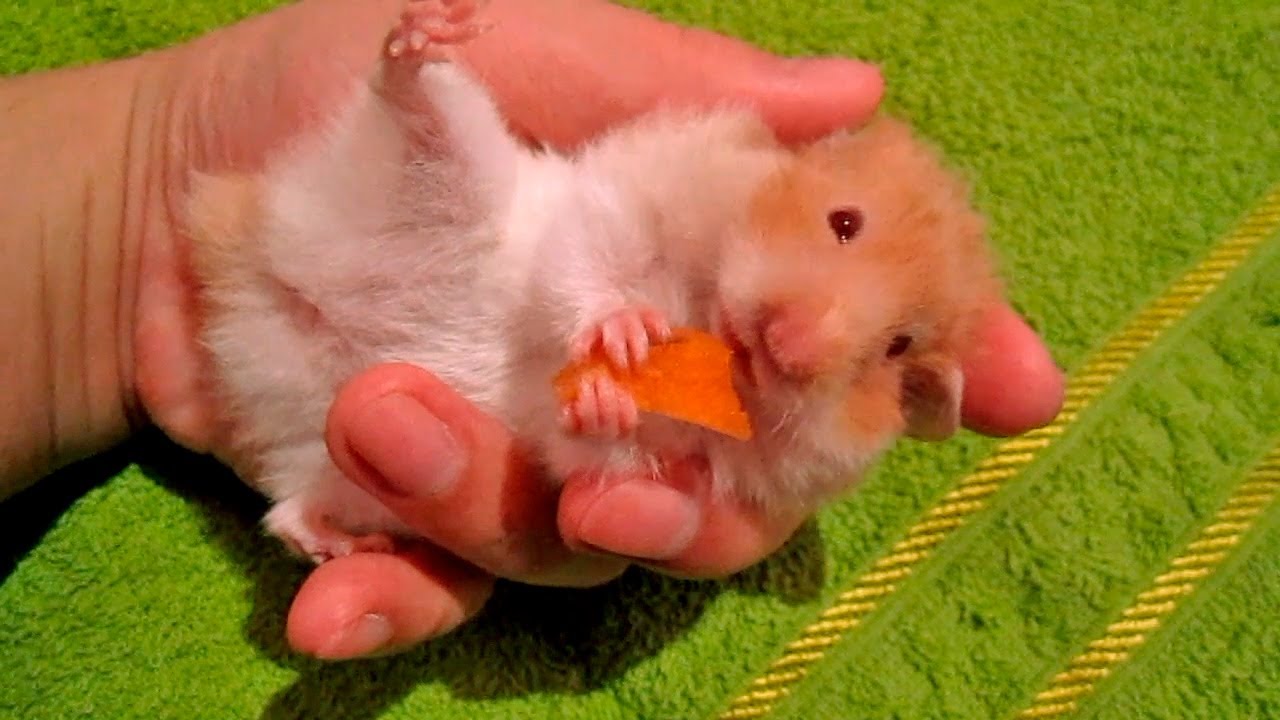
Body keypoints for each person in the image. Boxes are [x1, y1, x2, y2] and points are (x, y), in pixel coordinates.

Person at [0, 0, 1063, 661]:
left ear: (916, 396)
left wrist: (608, 427)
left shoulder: (757, 445)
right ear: (821, 156)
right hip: (373, 245)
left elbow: (569, 453)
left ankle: (310, 494)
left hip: (304, 385)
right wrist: (599, 309)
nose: (805, 337)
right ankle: (413, 79)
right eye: (840, 230)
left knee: (408, 458)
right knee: (477, 185)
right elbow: (576, 225)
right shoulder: (687, 181)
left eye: (886, 349)